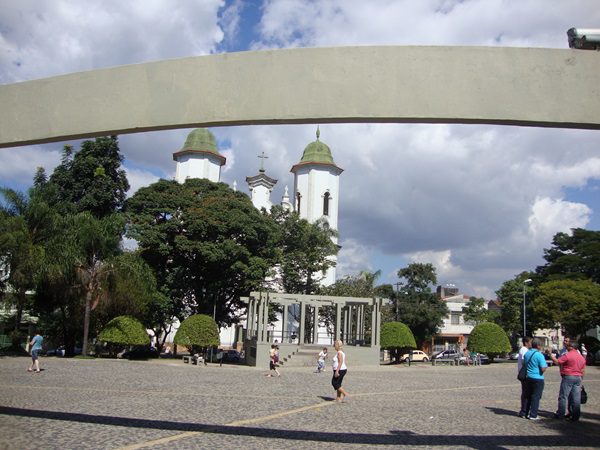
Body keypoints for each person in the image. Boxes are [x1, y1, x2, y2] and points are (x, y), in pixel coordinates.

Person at [551, 341, 586, 421]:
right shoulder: (581, 357)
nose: (567, 346)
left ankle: (560, 414)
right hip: (578, 377)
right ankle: (576, 416)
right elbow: (583, 369)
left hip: (568, 376)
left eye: (568, 345)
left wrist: (550, 355)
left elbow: (558, 362)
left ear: (572, 347)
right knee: (576, 398)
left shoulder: (568, 355)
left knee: (563, 396)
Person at [523, 339, 548, 420]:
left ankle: (526, 412)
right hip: (537, 378)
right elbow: (543, 368)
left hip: (528, 377)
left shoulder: (527, 353)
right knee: (536, 396)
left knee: (528, 396)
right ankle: (533, 415)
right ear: (538, 346)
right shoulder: (539, 355)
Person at [517, 337, 532, 418]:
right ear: (526, 343)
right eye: (530, 342)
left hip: (525, 374)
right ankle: (524, 411)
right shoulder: (524, 350)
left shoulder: (524, 350)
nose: (531, 344)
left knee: (526, 393)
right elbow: (525, 361)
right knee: (526, 393)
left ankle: (525, 410)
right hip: (525, 374)